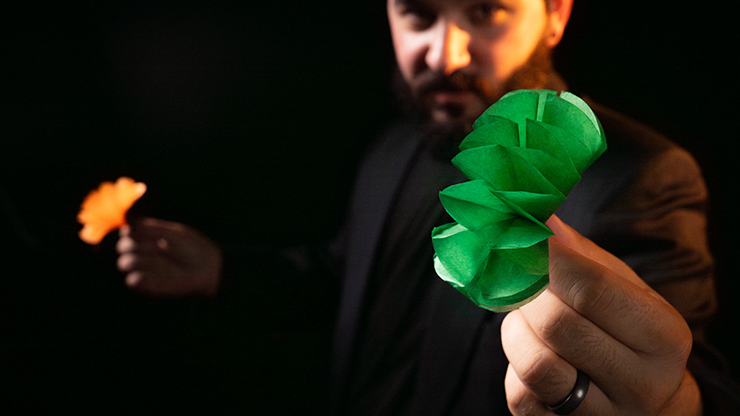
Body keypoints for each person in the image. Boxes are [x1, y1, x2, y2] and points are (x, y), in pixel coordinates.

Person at [115, 0, 740, 414]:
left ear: (554, 15)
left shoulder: (641, 175)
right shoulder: (394, 149)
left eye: (486, 12)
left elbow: (689, 377)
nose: (446, 55)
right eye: (418, 14)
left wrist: (670, 404)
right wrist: (224, 271)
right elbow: (346, 281)